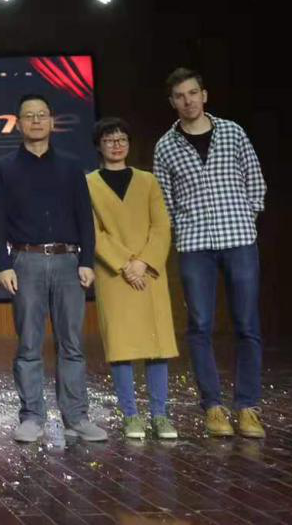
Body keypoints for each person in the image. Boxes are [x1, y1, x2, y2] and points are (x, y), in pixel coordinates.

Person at [152, 68, 267, 439]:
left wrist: (246, 215)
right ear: (172, 102)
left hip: (239, 238)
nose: (187, 101)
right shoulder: (165, 146)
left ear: (204, 95)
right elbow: (163, 200)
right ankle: (213, 407)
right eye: (179, 96)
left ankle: (247, 407)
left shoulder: (232, 132)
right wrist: (183, 228)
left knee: (247, 324)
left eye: (192, 93)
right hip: (195, 245)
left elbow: (255, 180)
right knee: (199, 325)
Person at [0, 94, 107, 443]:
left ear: (52, 121)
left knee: (72, 344)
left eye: (42, 115)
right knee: (29, 344)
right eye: (29, 116)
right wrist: (4, 264)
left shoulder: (71, 166)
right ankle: (32, 417)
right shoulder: (5, 168)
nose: (36, 121)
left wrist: (86, 261)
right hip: (26, 261)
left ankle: (77, 417)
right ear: (18, 123)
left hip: (69, 262)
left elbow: (85, 217)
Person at [87, 118, 179, 441]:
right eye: (109, 140)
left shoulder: (148, 181)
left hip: (149, 272)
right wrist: (125, 265)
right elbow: (93, 232)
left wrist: (142, 262)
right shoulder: (89, 184)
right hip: (114, 274)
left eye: (122, 139)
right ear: (99, 145)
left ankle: (160, 415)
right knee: (121, 347)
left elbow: (161, 227)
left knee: (157, 346)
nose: (117, 145)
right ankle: (130, 415)